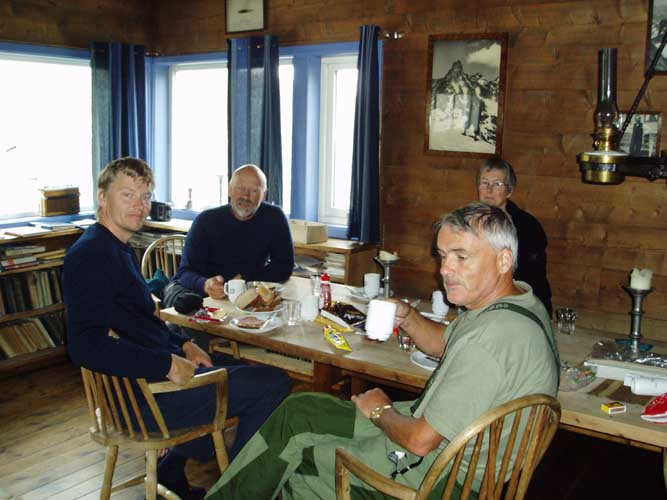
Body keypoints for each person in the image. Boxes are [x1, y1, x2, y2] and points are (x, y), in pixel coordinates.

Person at [206, 203, 559, 499]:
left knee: (299, 458)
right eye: (443, 256)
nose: (445, 269)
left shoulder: (490, 340)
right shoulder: (516, 302)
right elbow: (445, 343)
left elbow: (420, 441)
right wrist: (408, 317)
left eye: (461, 257)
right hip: (441, 442)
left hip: (438, 477)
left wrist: (381, 411)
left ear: (503, 259)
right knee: (299, 410)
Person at [63, 157, 291, 500]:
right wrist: (166, 363)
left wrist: (182, 345)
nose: (140, 206)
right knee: (273, 383)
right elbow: (85, 346)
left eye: (145, 196)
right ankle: (236, 492)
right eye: (128, 195)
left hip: (149, 382)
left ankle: (171, 473)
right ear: (102, 197)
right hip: (142, 400)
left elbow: (142, 325)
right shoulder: (91, 256)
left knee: (242, 370)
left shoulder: (113, 247)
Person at [165, 164, 294, 306]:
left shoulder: (274, 218)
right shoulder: (206, 220)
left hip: (241, 294)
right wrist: (205, 284)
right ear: (229, 189)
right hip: (198, 291)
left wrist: (245, 277)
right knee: (187, 306)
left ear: (264, 195)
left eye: (254, 190)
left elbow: (284, 267)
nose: (245, 196)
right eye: (240, 188)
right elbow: (185, 273)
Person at [477, 157, 553, 316]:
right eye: (484, 183)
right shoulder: (470, 221)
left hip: (520, 306)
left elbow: (531, 279)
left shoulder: (527, 227)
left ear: (510, 190)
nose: (489, 190)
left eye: (497, 184)